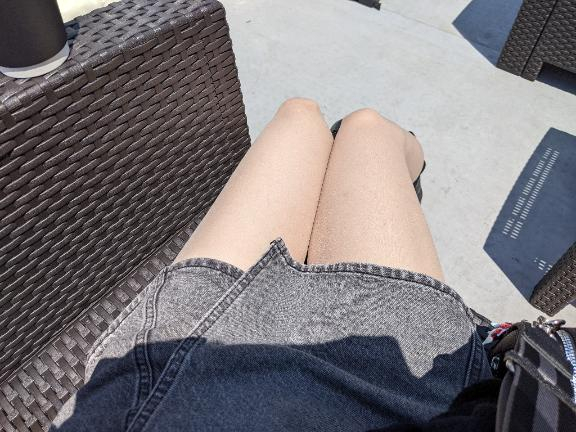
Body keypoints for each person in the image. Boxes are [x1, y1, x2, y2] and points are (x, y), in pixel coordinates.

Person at [52, 99, 496, 431]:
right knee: (363, 128)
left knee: (306, 116)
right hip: (400, 382)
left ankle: (381, 180)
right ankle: (393, 178)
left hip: (178, 365)